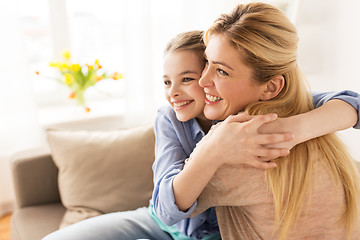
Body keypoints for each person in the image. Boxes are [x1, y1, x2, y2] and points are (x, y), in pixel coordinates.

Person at [43, 17, 360, 240]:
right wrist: (213, 147)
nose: (174, 92)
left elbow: (349, 102)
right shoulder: (169, 118)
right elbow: (166, 207)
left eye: (190, 77)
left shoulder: (250, 114)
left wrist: (291, 129)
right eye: (167, 81)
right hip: (162, 222)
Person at [174, 2, 360, 239]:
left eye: (221, 71)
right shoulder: (321, 128)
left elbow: (167, 210)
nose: (202, 81)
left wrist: (210, 148)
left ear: (271, 87)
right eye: (207, 63)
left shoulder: (238, 154)